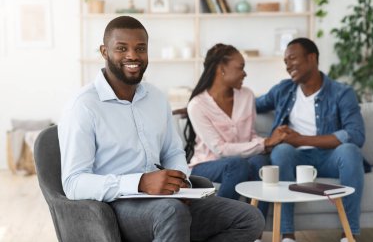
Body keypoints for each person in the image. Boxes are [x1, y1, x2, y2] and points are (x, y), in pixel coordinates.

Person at [58, 16, 265, 242]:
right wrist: (140, 182)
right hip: (115, 207)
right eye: (121, 48)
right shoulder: (84, 106)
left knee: (249, 218)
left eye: (140, 48)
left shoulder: (156, 98)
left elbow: (173, 152)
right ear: (104, 51)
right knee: (171, 212)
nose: (133, 56)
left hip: (165, 201)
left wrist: (180, 181)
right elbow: (74, 183)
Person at [256, 37, 369, 242]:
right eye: (285, 61)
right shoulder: (283, 89)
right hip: (295, 158)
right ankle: (287, 234)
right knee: (281, 151)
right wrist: (201, 101)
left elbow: (355, 134)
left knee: (350, 150)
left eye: (292, 58)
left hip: (330, 159)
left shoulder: (342, 93)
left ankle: (349, 234)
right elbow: (249, 105)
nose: (288, 65)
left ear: (312, 58)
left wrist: (301, 139)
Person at [184, 43, 285, 200]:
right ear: (221, 69)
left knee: (261, 163)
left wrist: (270, 142)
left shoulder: (247, 96)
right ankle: (223, 221)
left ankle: (257, 223)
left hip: (241, 162)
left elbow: (250, 135)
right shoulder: (198, 105)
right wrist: (265, 143)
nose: (245, 74)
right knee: (237, 164)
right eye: (240, 67)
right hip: (206, 165)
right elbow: (220, 149)